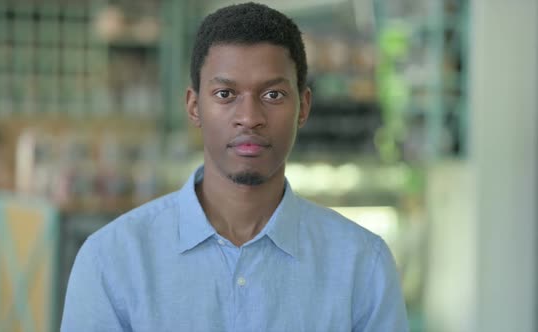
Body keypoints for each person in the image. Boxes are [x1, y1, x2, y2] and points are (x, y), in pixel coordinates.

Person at [61, 2, 409, 331]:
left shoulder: (363, 264)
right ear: (194, 107)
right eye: (226, 94)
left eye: (273, 95)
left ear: (303, 107)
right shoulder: (112, 260)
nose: (249, 118)